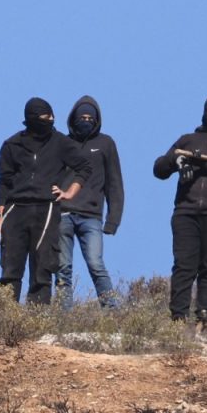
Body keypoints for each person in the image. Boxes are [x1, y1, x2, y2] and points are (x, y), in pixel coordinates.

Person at [0, 98, 92, 304]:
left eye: (52, 116)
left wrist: (70, 192)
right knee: (10, 270)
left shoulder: (60, 142)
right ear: (31, 118)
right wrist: (0, 216)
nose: (50, 120)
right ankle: (4, 316)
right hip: (15, 210)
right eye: (45, 117)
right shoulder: (12, 144)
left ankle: (37, 319)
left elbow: (85, 167)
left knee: (42, 270)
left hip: (46, 209)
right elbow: (4, 182)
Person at [155, 95, 207, 324]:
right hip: (185, 211)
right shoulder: (188, 139)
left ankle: (205, 316)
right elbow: (159, 168)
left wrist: (206, 164)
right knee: (183, 266)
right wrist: (177, 162)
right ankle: (178, 317)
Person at [55, 96, 125, 308]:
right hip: (62, 213)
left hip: (91, 216)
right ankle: (63, 315)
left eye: (89, 118)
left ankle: (112, 311)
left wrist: (113, 220)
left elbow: (115, 183)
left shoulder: (106, 144)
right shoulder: (62, 143)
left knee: (96, 264)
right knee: (62, 268)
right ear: (73, 119)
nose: (85, 121)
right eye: (81, 117)